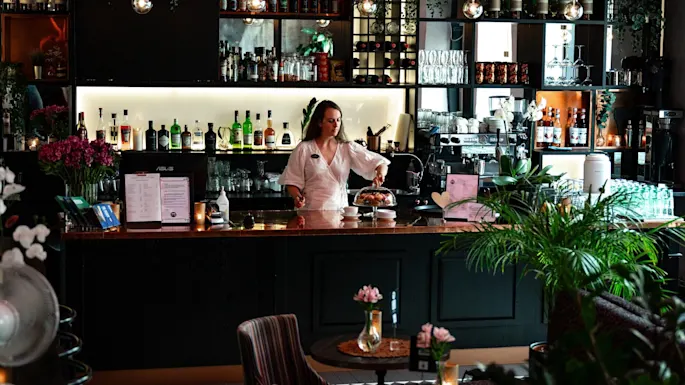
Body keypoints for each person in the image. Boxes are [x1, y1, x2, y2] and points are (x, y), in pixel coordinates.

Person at [279, 100, 390, 211]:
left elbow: (379, 162)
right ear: (319, 123)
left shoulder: (347, 147)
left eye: (338, 120)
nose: (336, 124)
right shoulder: (304, 148)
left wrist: (380, 173)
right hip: (310, 213)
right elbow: (291, 181)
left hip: (340, 214)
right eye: (331, 121)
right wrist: (298, 198)